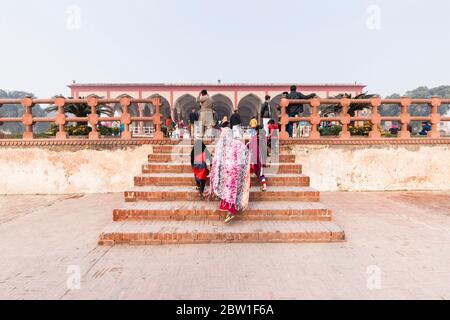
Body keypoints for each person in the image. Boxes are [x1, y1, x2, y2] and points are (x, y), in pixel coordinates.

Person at [210, 127, 251, 224]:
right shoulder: (238, 144)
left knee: (227, 190)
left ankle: (230, 211)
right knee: (233, 190)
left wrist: (215, 171)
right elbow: (246, 153)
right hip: (235, 172)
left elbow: (216, 159)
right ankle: (231, 210)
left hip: (226, 172)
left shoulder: (221, 144)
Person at [249, 126, 268, 192]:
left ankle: (264, 186)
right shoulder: (264, 138)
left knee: (257, 171)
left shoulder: (255, 138)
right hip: (262, 157)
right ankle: (264, 186)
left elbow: (250, 146)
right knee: (260, 172)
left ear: (257, 131)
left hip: (256, 157)